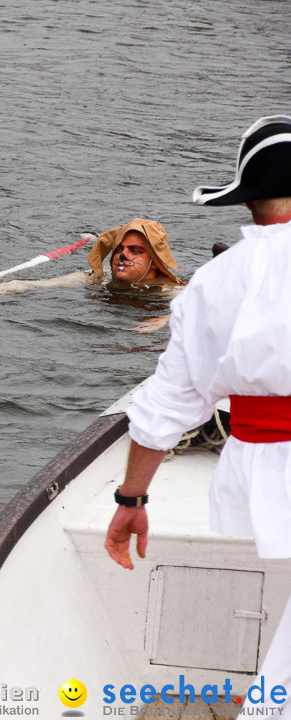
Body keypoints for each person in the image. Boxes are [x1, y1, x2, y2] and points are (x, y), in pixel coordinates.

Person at [104, 115, 291, 712]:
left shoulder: (212, 284)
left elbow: (165, 406)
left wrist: (131, 501)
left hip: (264, 466)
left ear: (249, 199)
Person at [0, 219, 185, 296]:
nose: (123, 255)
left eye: (135, 251)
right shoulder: (97, 279)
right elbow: (37, 285)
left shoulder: (172, 293)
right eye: (119, 249)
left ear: (155, 262)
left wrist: (157, 321)